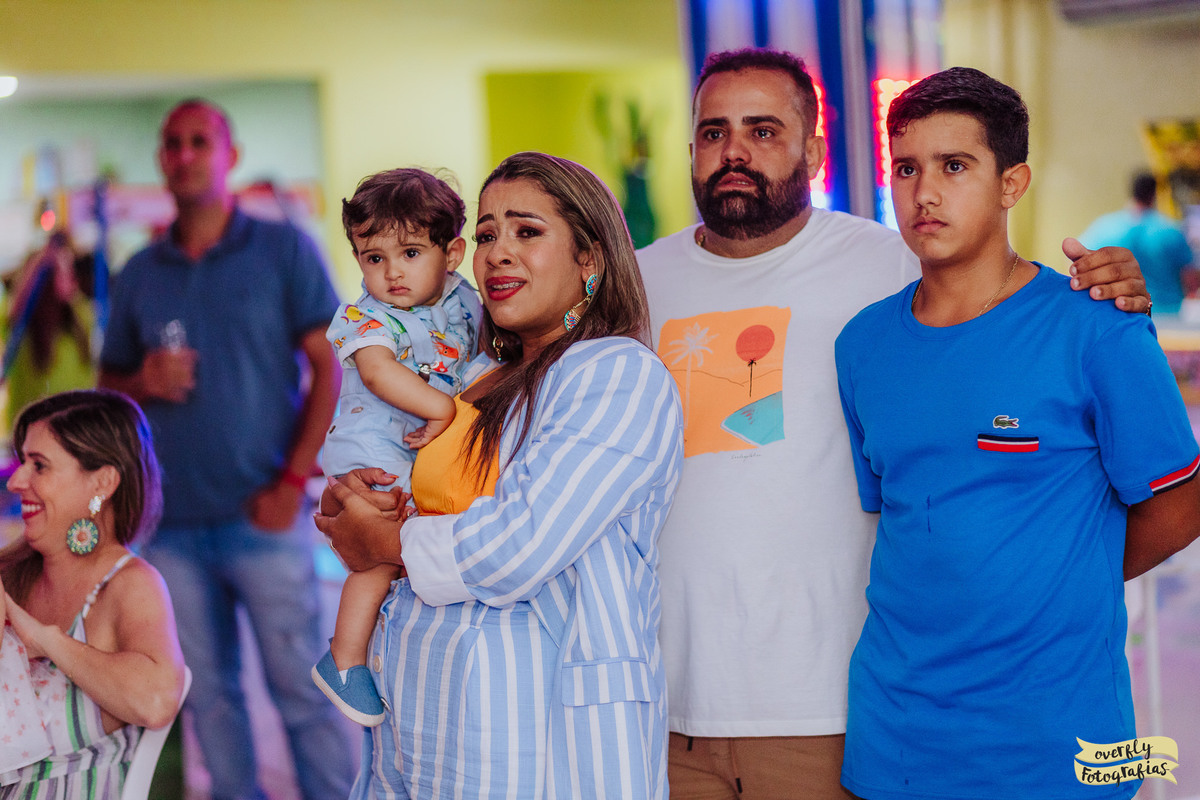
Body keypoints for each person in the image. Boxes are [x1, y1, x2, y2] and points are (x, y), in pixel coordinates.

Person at [635, 47, 1152, 799]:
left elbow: (1011, 302)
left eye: (763, 129)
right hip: (666, 700)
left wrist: (1117, 286)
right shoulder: (635, 283)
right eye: (714, 131)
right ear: (691, 149)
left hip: (831, 704)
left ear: (813, 150)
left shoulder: (895, 261)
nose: (735, 150)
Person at [834, 66, 1200, 800]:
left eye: (955, 166)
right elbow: (907, 517)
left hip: (1053, 741)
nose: (924, 192)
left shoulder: (1094, 325)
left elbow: (1181, 505)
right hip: (894, 739)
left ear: (1012, 182)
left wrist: (1063, 577)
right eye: (905, 168)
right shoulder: (862, 345)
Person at [316, 152, 684, 799]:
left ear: (590, 260)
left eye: (526, 232)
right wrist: (359, 502)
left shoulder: (616, 375)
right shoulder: (476, 381)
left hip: (534, 743)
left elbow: (518, 543)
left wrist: (385, 545)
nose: (496, 254)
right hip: (420, 716)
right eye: (486, 235)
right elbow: (420, 508)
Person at [98, 99, 354, 800]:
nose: (184, 154)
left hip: (264, 515)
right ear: (162, 159)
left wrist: (294, 479)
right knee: (209, 701)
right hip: (170, 528)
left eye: (199, 141)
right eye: (172, 143)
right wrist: (141, 379)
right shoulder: (139, 272)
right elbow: (105, 384)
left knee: (302, 691)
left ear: (228, 156)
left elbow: (331, 365)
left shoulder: (282, 251)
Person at [314, 167, 480, 727]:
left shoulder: (464, 302)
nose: (391, 273)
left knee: (410, 552)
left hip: (421, 451)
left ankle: (385, 653)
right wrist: (448, 409)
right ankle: (344, 657)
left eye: (410, 252)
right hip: (373, 449)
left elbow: (489, 360)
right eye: (373, 257)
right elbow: (382, 375)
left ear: (452, 251)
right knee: (380, 552)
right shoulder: (363, 315)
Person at [0, 389, 186, 799]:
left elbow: (156, 701)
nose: (16, 480)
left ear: (102, 481)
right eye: (22, 461)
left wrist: (44, 639)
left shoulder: (129, 584)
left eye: (39, 465)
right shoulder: (10, 575)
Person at [3, 230, 96, 427]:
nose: (67, 275)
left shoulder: (79, 318)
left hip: (75, 429)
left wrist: (60, 257)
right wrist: (41, 264)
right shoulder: (23, 330)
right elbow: (17, 307)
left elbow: (71, 295)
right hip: (30, 432)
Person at [1081, 171, 1196, 314]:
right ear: (1154, 194)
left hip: (1118, 313)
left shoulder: (1105, 227)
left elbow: (1079, 266)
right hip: (1165, 316)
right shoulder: (1170, 230)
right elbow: (1190, 278)